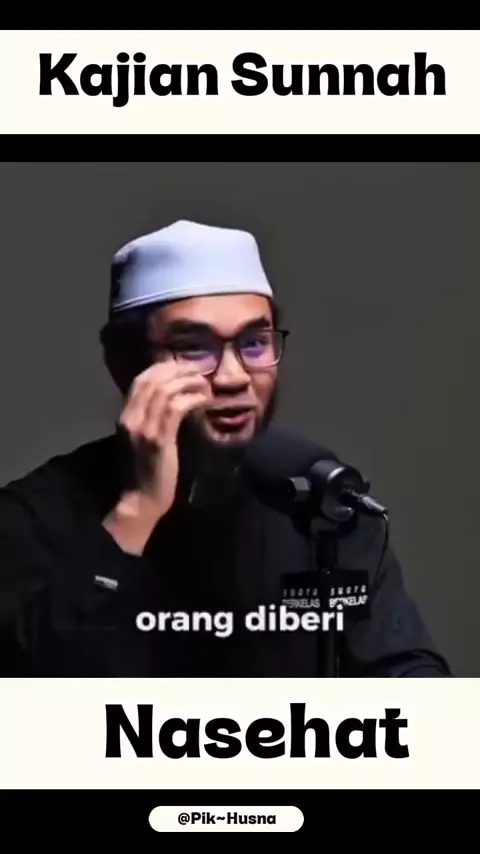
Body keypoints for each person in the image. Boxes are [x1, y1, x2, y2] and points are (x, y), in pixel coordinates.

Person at [0, 219, 450, 677]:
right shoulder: (33, 517)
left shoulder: (322, 505)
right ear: (123, 361)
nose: (234, 377)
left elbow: (412, 680)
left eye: (254, 343)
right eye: (194, 347)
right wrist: (137, 510)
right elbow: (37, 700)